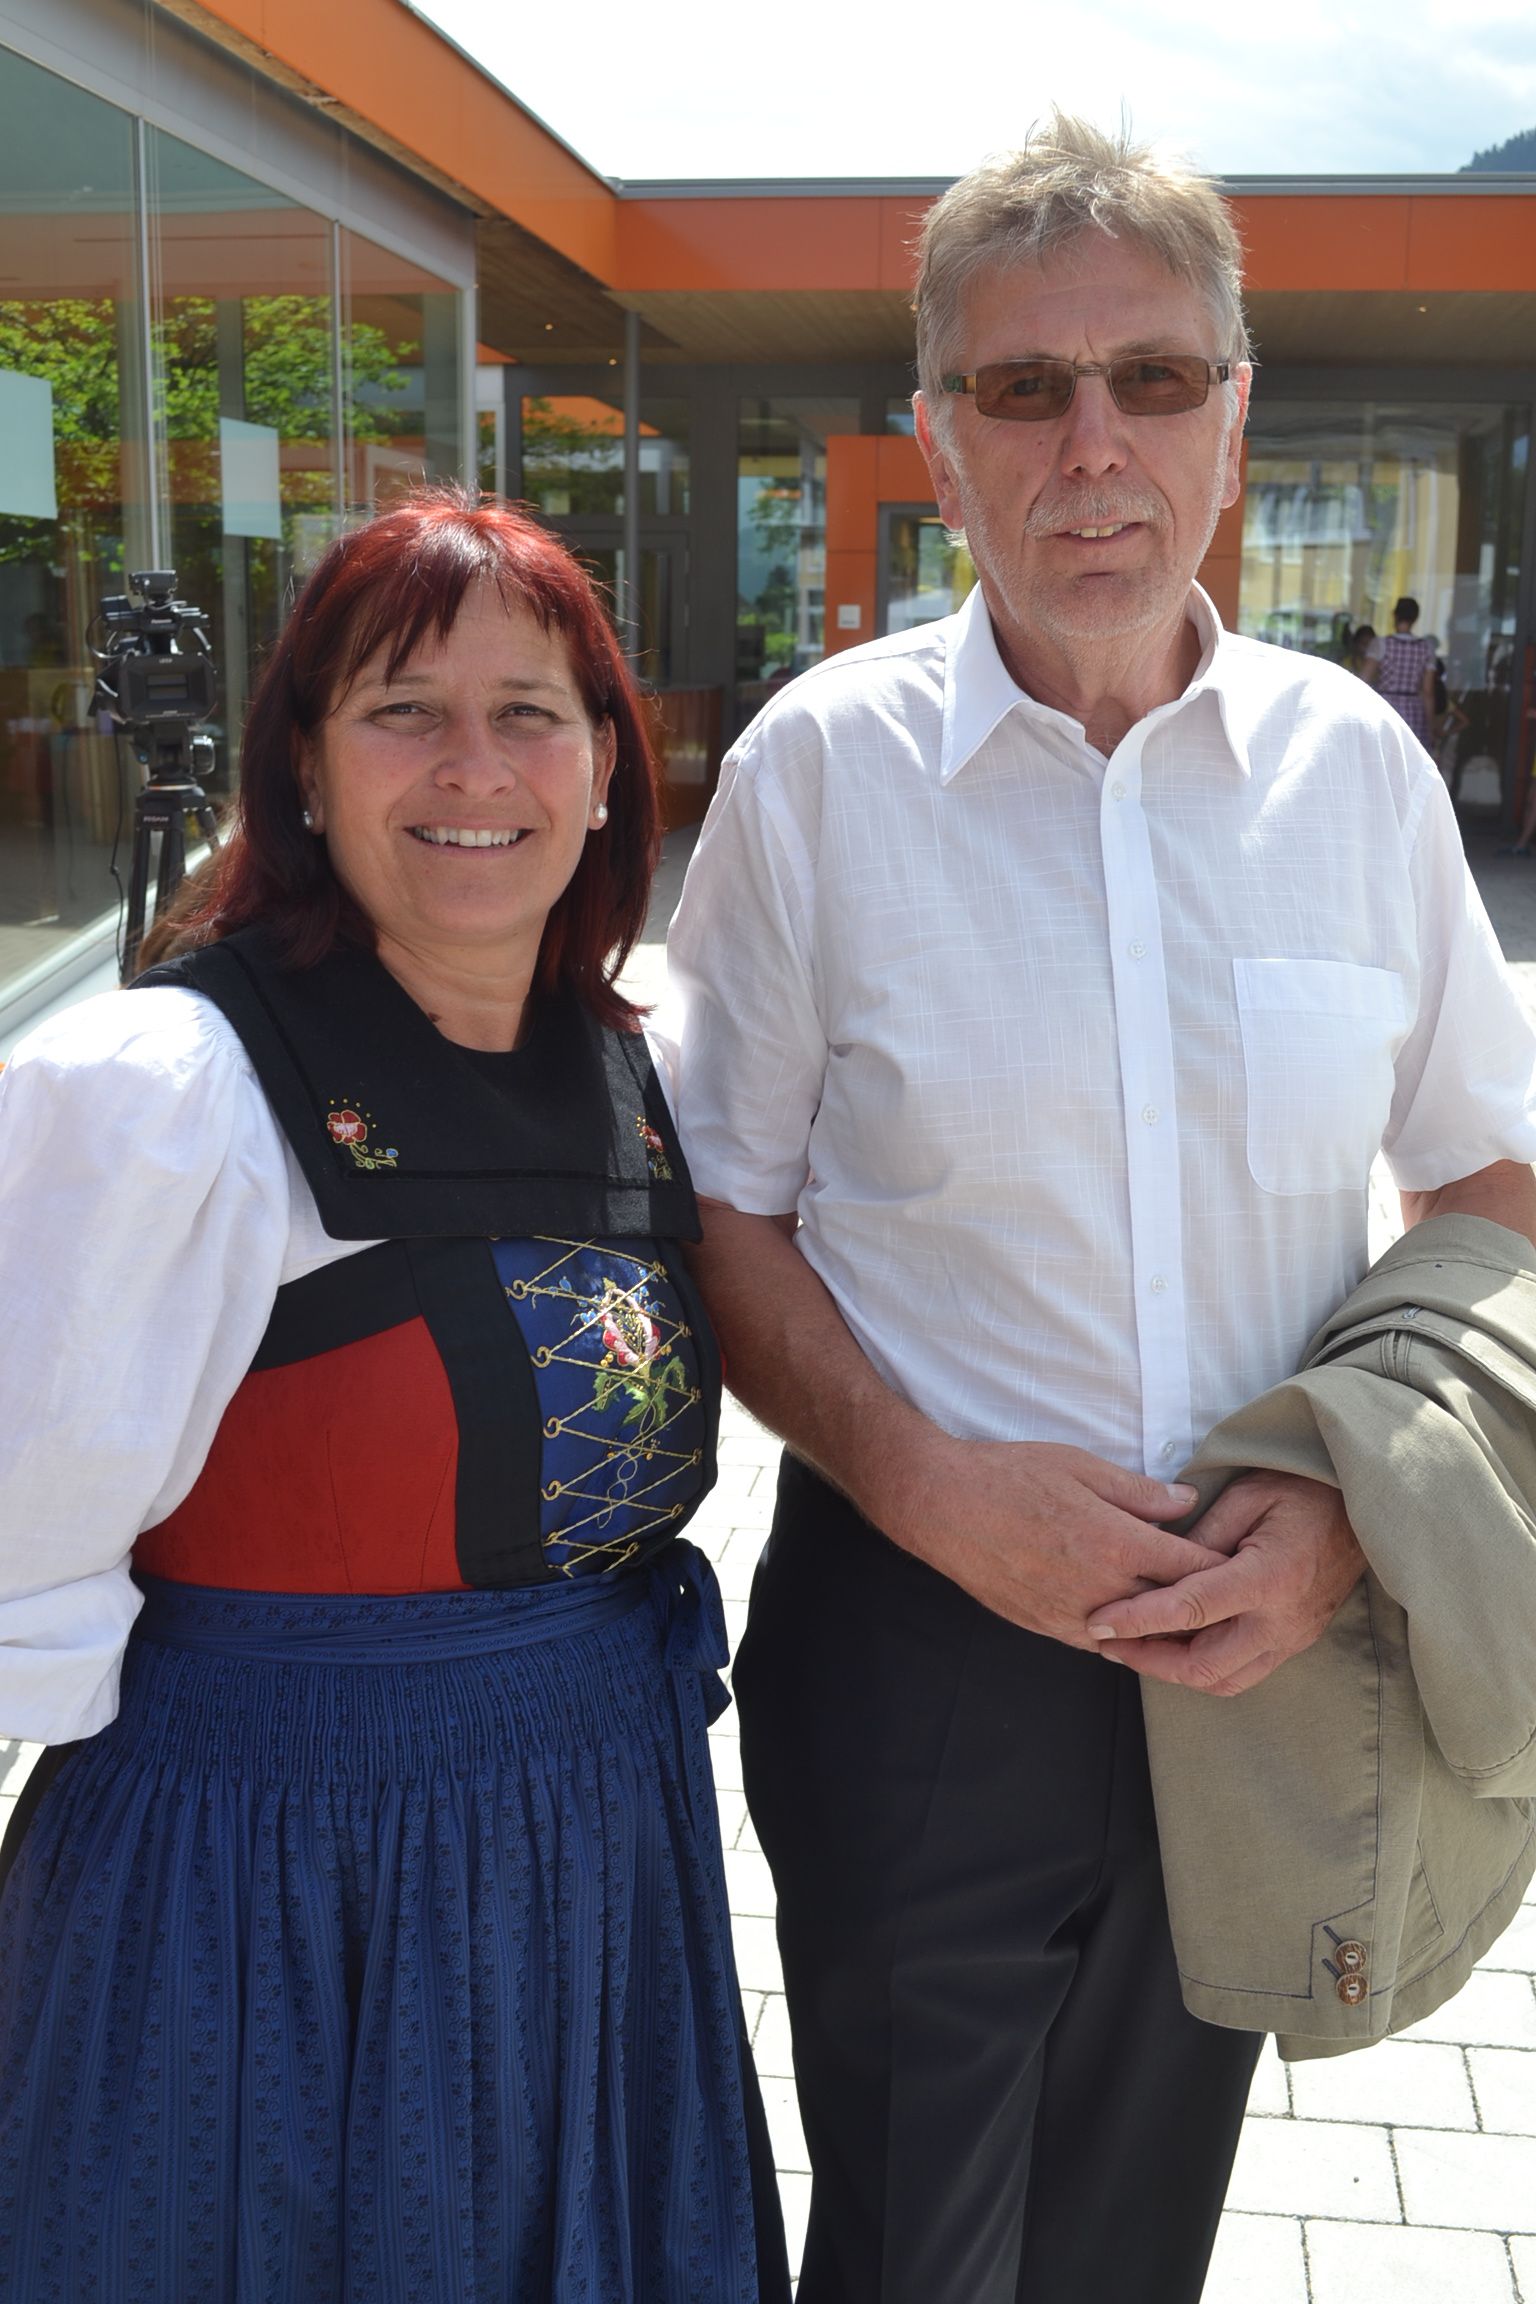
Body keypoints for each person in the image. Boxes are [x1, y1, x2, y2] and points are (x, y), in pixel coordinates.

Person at [661, 113, 1536, 2304]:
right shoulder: (815, 774)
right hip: (919, 1645)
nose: (1092, 446)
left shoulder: (1359, 775)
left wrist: (1345, 1507)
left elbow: (1489, 1178)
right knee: (914, 2249)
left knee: (1136, 2243)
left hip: (1269, 1641)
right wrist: (921, 1480)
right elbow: (719, 1217)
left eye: (1149, 376)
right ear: (938, 437)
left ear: (1233, 417)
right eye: (1023, 385)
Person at [0, 488, 788, 2303]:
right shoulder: (165, 1091)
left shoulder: (629, 1062)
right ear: (303, 763)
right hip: (264, 1882)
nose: (473, 767)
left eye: (529, 712)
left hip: (595, 1844)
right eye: (402, 709)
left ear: (606, 765)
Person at [1367, 594, 1439, 742]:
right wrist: (1431, 727)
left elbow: (1364, 679)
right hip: (1413, 709)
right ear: (1415, 618)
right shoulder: (1426, 648)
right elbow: (1428, 691)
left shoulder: (1381, 644)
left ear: (1395, 615)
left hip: (1384, 706)